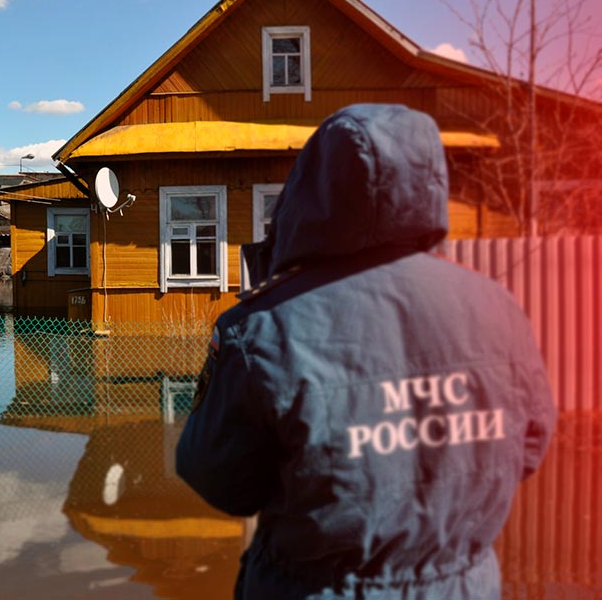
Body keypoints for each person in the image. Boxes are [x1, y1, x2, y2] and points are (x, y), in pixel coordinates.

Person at [176, 103, 556, 600]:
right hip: (463, 586)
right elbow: (530, 448)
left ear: (314, 192)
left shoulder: (263, 328)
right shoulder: (497, 307)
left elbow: (221, 481)